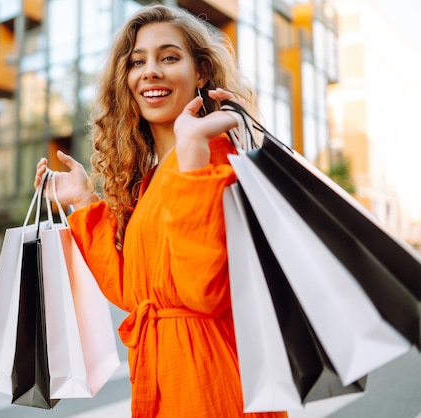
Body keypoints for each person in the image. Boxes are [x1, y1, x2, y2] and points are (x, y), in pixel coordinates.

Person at [35, 4, 286, 417]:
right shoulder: (152, 178)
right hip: (163, 382)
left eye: (169, 57)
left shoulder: (219, 158)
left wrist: (192, 152)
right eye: (137, 61)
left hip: (212, 386)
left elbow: (205, 292)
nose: (150, 71)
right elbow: (132, 294)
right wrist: (84, 201)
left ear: (201, 72)